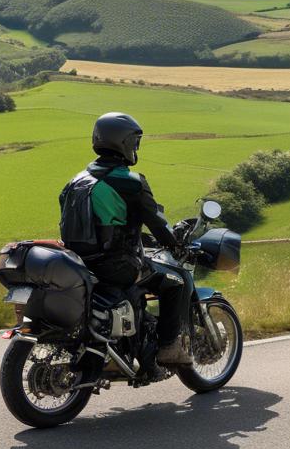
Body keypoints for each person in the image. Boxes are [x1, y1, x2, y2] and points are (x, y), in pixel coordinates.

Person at [61, 112, 192, 366]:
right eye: (134, 142)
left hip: (77, 264)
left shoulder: (74, 182)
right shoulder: (130, 182)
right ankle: (168, 348)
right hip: (117, 266)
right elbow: (156, 222)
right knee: (174, 283)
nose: (136, 147)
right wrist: (174, 243)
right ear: (123, 143)